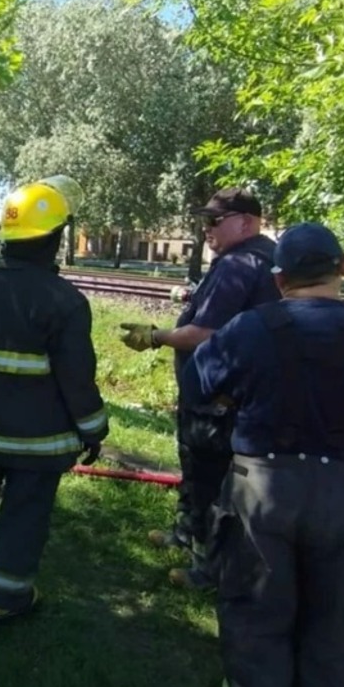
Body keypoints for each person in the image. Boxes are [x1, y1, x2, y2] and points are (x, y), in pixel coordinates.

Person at [182, 222, 344, 687]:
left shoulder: (249, 328)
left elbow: (197, 386)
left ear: (279, 279)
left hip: (263, 492)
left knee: (254, 618)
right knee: (335, 627)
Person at [0, 175, 109, 624]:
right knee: (23, 515)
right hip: (37, 442)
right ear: (55, 237)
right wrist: (93, 429)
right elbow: (77, 379)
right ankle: (5, 600)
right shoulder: (65, 301)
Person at [119, 188, 280, 588]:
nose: (205, 229)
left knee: (208, 476)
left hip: (218, 398)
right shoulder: (261, 260)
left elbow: (204, 333)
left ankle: (205, 568)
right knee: (197, 469)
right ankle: (185, 533)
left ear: (246, 221)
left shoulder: (239, 263)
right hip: (236, 395)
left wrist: (155, 336)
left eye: (214, 220)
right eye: (203, 220)